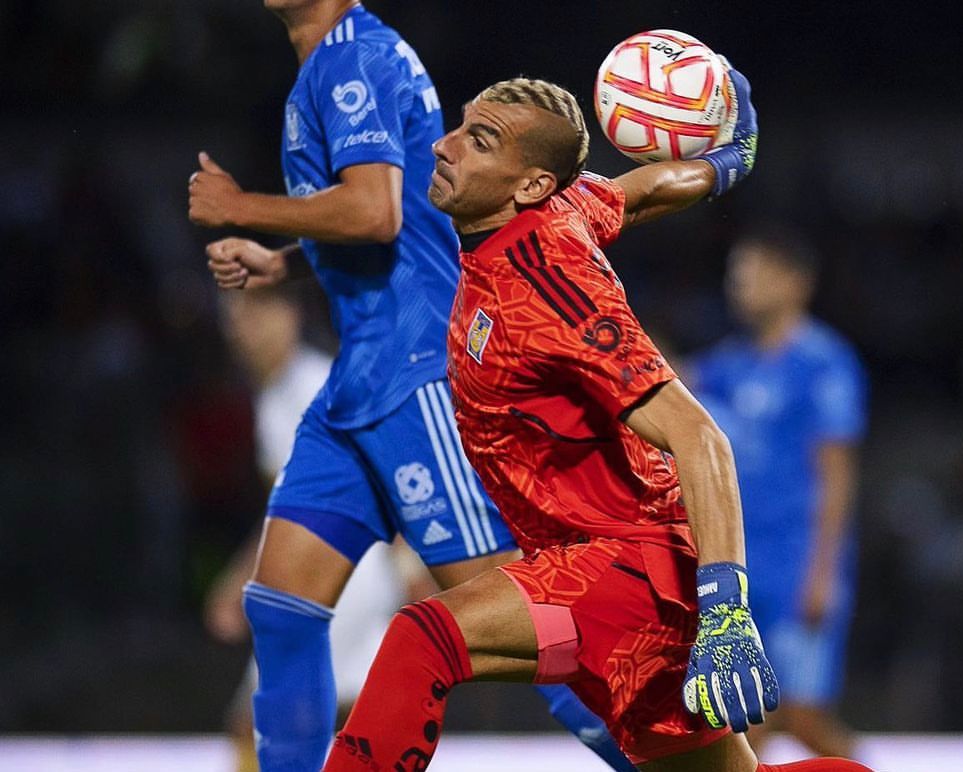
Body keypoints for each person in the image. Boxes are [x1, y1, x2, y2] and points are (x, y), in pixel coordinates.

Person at [323, 69, 873, 772]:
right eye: (461, 124)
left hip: (619, 573)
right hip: (592, 569)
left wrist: (725, 611)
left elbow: (697, 435)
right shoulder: (557, 210)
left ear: (527, 185)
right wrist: (726, 161)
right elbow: (636, 190)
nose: (444, 145)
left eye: (480, 140)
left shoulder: (551, 286)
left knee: (423, 639)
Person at [188, 3, 632, 771]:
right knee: (281, 608)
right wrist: (285, 259)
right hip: (359, 379)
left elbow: (374, 212)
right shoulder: (328, 64)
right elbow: (395, 213)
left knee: (517, 618)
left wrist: (242, 210)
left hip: (417, 371)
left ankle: (667, 754)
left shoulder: (353, 59)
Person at [204, 286, 419, 772]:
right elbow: (285, 510)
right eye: (235, 318)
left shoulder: (314, 389)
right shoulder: (275, 398)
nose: (244, 330)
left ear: (291, 313)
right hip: (331, 577)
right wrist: (243, 574)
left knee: (258, 722)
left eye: (257, 314)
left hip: (339, 578)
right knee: (350, 719)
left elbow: (389, 472)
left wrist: (410, 563)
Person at [689, 229, 867, 758]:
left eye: (752, 273)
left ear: (795, 283)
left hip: (798, 563)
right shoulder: (729, 364)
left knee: (802, 714)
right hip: (740, 564)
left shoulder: (824, 363)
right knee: (746, 716)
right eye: (734, 275)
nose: (738, 285)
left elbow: (836, 473)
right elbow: (666, 378)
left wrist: (824, 572)